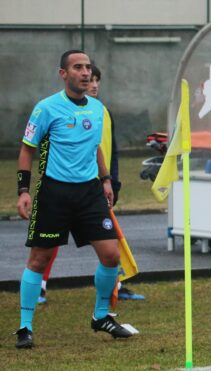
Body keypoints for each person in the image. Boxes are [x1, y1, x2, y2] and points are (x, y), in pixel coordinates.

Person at [14, 50, 132, 349]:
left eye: (87, 67)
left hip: (90, 192)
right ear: (63, 73)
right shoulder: (46, 108)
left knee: (111, 255)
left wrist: (105, 180)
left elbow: (95, 148)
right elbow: (28, 149)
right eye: (77, 67)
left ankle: (101, 316)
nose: (84, 73)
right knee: (39, 258)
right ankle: (25, 326)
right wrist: (23, 191)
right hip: (54, 192)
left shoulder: (96, 108)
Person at [36, 64, 144, 304]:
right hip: (66, 187)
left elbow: (109, 149)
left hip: (98, 187)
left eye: (97, 80)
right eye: (90, 79)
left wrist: (111, 181)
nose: (93, 84)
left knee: (110, 242)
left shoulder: (102, 111)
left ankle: (117, 285)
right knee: (49, 242)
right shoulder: (56, 110)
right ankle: (40, 286)